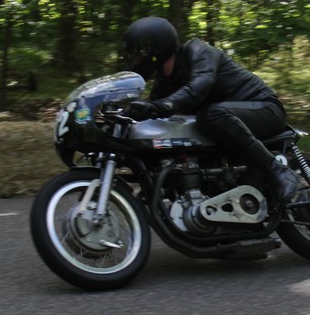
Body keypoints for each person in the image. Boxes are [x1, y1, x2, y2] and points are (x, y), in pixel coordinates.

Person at [120, 16, 300, 204]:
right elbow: (153, 117)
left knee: (210, 115)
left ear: (156, 48)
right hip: (228, 123)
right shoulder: (164, 83)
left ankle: (278, 171)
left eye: (139, 52)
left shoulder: (197, 50)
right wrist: (124, 116)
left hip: (265, 109)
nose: (136, 58)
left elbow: (200, 85)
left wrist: (162, 106)